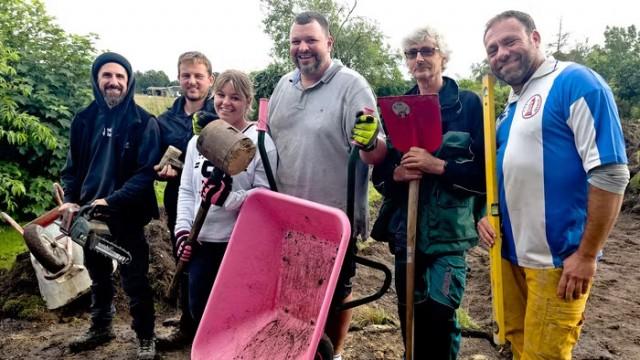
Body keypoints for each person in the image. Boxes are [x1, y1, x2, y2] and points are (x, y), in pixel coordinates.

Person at [477, 10, 629, 359]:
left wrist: (587, 255)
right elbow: (511, 172)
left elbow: (610, 172)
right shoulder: (511, 104)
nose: (501, 53)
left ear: (534, 38)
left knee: (544, 354)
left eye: (510, 41)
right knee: (517, 346)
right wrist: (490, 214)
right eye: (492, 49)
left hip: (558, 264)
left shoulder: (576, 82)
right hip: (511, 256)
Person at [267, 11, 386, 360]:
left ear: (329, 43)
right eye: (296, 41)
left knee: (334, 293)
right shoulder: (282, 85)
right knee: (294, 290)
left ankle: (332, 353)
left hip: (335, 215)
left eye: (311, 40)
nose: (303, 48)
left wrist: (369, 143)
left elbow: (376, 152)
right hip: (288, 214)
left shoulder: (352, 86)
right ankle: (300, 349)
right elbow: (269, 140)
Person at [370, 26, 485, 359]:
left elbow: (483, 177)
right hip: (406, 234)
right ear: (407, 62)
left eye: (427, 50)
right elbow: (381, 177)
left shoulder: (468, 105)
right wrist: (396, 172)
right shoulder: (397, 109)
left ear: (443, 57)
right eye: (411, 53)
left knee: (439, 312)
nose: (419, 58)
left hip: (448, 236)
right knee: (411, 317)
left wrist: (438, 166)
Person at [60, 52, 161, 360]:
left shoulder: (143, 122)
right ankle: (101, 326)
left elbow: (146, 174)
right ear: (97, 80)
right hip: (90, 215)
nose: (113, 82)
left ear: (128, 82)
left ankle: (145, 337)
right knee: (98, 273)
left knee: (135, 278)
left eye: (120, 77)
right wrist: (69, 202)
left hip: (126, 215)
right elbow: (72, 170)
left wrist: (113, 199)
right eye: (107, 76)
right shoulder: (84, 119)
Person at [174, 69, 278, 326]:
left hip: (239, 246)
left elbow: (266, 198)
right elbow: (187, 190)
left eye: (235, 97)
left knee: (237, 316)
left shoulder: (260, 144)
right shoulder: (199, 140)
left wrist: (228, 198)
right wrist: (183, 232)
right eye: (220, 95)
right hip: (201, 242)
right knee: (201, 312)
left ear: (248, 102)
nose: (225, 102)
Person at [155, 51, 216, 349]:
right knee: (186, 262)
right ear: (178, 78)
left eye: (198, 76)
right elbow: (153, 160)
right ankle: (187, 326)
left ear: (210, 80)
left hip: (218, 205)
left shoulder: (220, 115)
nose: (192, 82)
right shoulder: (165, 120)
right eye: (186, 75)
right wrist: (161, 170)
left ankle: (214, 328)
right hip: (180, 202)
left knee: (215, 269)